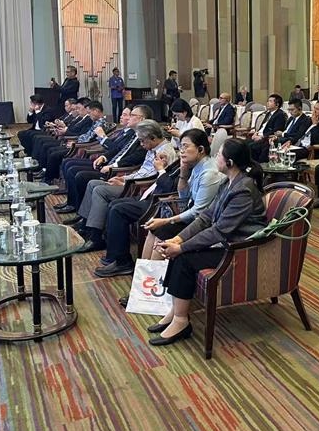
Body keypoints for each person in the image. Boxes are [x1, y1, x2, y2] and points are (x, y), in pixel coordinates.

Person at [147, 139, 268, 346]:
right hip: (227, 243)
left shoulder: (243, 190)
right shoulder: (228, 182)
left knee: (184, 257)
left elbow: (219, 230)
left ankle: (181, 322)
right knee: (179, 252)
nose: (215, 158)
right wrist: (178, 239)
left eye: (219, 154)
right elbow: (206, 218)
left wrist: (181, 247)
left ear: (229, 162)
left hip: (240, 249)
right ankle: (176, 312)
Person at [95, 129, 225, 278]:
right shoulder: (196, 166)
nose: (181, 151)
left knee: (161, 231)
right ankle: (142, 280)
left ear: (201, 149)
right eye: (181, 146)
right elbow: (184, 196)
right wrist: (183, 171)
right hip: (187, 213)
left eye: (185, 146)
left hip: (200, 222)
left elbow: (197, 211)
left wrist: (166, 220)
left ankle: (149, 281)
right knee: (153, 229)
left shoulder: (209, 173)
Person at [72, 120, 176, 248]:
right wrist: (123, 178)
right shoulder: (153, 148)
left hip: (139, 188)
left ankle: (96, 237)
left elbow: (154, 179)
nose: (141, 144)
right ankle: (86, 226)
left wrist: (125, 183)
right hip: (133, 182)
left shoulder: (164, 153)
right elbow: (142, 172)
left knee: (100, 190)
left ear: (153, 138)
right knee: (92, 183)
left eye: (142, 141)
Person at [54, 107, 148, 214]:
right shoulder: (129, 133)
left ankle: (76, 207)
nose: (123, 117)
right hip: (108, 163)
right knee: (69, 164)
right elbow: (117, 149)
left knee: (79, 174)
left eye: (130, 115)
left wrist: (113, 165)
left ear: (141, 119)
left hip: (116, 170)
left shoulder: (138, 136)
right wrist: (104, 157)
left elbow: (133, 157)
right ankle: (72, 203)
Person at [41, 101, 107, 185]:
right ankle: (49, 177)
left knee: (56, 155)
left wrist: (76, 143)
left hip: (82, 147)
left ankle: (50, 179)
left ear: (96, 111)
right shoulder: (96, 121)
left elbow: (91, 139)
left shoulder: (101, 123)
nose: (89, 115)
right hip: (79, 143)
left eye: (89, 112)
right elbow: (86, 135)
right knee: (52, 150)